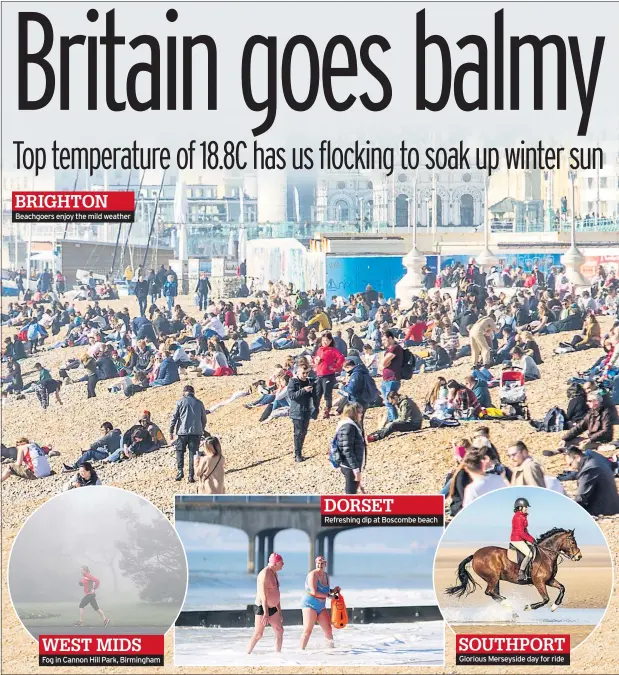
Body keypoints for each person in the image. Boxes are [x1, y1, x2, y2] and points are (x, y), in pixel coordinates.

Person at [247, 553, 285, 655]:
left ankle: (278, 654)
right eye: (282, 562)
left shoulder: (274, 573)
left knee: (279, 630)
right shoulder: (264, 575)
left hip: (273, 607)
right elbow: (263, 595)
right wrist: (266, 613)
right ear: (276, 563)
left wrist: (279, 611)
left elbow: (276, 592)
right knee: (259, 634)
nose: (283, 564)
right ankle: (247, 654)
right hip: (262, 608)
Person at [300, 556, 341, 650]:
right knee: (308, 630)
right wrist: (329, 596)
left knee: (328, 630)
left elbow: (324, 590)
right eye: (318, 563)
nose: (320, 565)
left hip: (321, 606)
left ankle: (331, 650)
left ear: (325, 564)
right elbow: (314, 592)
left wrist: (333, 590)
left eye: (322, 563)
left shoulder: (326, 575)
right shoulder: (312, 575)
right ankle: (301, 651)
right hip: (309, 605)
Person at [564, 447, 619, 516]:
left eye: (570, 464)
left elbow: (581, 497)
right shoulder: (595, 461)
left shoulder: (589, 470)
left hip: (603, 510)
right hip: (613, 505)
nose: (571, 468)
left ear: (577, 457)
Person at [170, 385, 208, 482]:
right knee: (193, 454)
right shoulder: (199, 403)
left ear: (184, 392)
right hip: (196, 433)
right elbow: (204, 419)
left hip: (182, 432)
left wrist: (171, 430)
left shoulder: (180, 402)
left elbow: (174, 417)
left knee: (180, 451)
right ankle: (191, 476)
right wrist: (201, 430)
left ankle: (180, 471)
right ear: (193, 392)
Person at [287, 362, 318, 463]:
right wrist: (303, 390)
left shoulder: (309, 380)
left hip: (307, 410)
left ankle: (300, 452)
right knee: (298, 433)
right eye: (303, 373)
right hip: (297, 411)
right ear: (298, 372)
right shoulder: (293, 381)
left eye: (307, 373)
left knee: (304, 432)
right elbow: (292, 396)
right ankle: (297, 454)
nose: (305, 375)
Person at [334, 402, 366, 494]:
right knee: (350, 493)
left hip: (350, 465)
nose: (361, 414)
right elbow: (347, 450)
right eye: (360, 412)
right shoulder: (348, 426)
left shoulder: (351, 425)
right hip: (349, 465)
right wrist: (356, 469)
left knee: (351, 491)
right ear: (353, 413)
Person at [313, 332, 345, 418]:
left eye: (326, 340)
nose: (324, 342)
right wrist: (316, 361)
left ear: (330, 341)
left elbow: (341, 358)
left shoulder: (333, 350)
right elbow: (315, 358)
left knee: (327, 394)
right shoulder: (319, 349)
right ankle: (315, 411)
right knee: (317, 394)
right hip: (319, 374)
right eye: (323, 340)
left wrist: (335, 367)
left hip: (328, 375)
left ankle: (326, 412)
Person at [510, 497, 536, 582]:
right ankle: (521, 572)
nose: (527, 509)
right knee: (529, 554)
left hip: (521, 538)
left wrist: (532, 539)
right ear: (520, 507)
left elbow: (525, 531)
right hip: (517, 539)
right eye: (526, 507)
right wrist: (531, 540)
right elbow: (521, 533)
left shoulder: (522, 516)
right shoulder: (518, 517)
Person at [381, 331, 404, 422]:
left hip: (392, 379)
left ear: (391, 338)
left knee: (390, 402)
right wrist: (385, 364)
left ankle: (395, 422)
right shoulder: (388, 350)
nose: (383, 342)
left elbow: (383, 363)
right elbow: (382, 364)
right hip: (386, 380)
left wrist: (384, 364)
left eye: (385, 339)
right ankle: (392, 421)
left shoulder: (395, 348)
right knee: (387, 403)